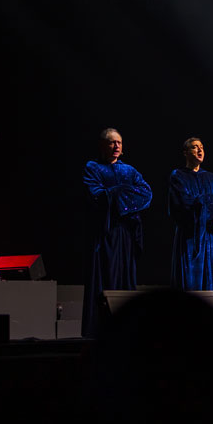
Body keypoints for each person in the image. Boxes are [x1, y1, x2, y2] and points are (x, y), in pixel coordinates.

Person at [82, 128, 152, 337]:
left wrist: (117, 197)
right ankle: (100, 330)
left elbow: (146, 193)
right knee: (104, 276)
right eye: (112, 142)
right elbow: (95, 194)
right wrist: (121, 194)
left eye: (119, 143)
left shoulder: (129, 170)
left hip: (125, 232)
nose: (116, 146)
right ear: (103, 146)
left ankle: (125, 329)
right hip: (104, 231)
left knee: (125, 276)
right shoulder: (93, 167)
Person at [169, 137, 213, 290]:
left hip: (211, 237)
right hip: (191, 235)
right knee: (190, 279)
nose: (199, 150)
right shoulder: (178, 176)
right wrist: (207, 204)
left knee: (211, 277)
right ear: (186, 153)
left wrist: (203, 202)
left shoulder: (212, 178)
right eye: (194, 147)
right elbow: (182, 202)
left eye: (201, 147)